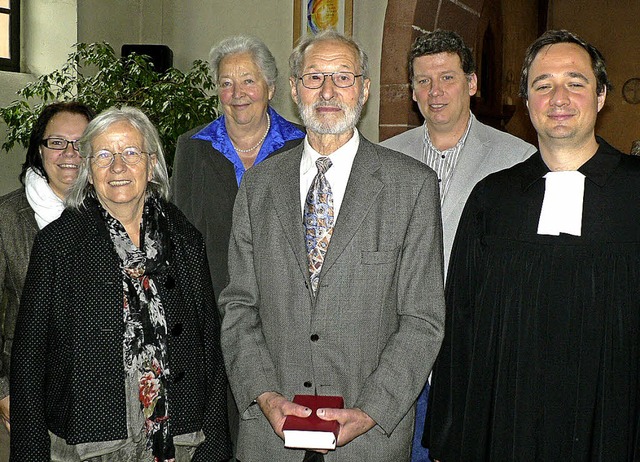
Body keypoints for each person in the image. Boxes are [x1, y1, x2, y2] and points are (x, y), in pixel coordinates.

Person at [219, 30, 445, 462]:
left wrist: (370, 411)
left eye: (342, 77)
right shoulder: (258, 186)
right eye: (314, 77)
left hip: (368, 439)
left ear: (364, 90)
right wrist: (265, 396)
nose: (326, 91)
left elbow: (423, 319)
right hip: (271, 437)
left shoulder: (411, 186)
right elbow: (238, 306)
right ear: (292, 89)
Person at [425, 29, 640, 461]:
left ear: (600, 97)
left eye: (575, 83)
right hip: (508, 428)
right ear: (527, 103)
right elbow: (460, 326)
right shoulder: (492, 199)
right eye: (543, 85)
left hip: (615, 427)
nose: (558, 98)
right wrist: (451, 434)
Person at [10, 106, 231, 461]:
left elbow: (209, 348)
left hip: (179, 436)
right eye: (103, 155)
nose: (117, 167)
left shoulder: (185, 237)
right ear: (87, 167)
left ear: (152, 163)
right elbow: (29, 359)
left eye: (130, 152)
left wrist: (215, 446)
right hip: (89, 442)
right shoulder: (59, 243)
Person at [380, 29, 536, 461]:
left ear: (471, 83)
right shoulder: (382, 158)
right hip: (400, 355)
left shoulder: (518, 160)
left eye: (447, 78)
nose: (435, 92)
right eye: (424, 81)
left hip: (477, 352)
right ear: (412, 91)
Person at [172, 35, 305, 301]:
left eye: (248, 81)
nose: (237, 94)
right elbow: (178, 236)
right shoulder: (192, 147)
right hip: (211, 302)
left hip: (288, 303)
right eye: (226, 84)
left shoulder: (302, 146)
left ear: (269, 88)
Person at [0, 101, 94, 458]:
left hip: (96, 398)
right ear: (39, 149)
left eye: (81, 143)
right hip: (27, 394)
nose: (69, 154)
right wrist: (3, 392)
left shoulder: (114, 215)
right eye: (57, 142)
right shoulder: (8, 218)